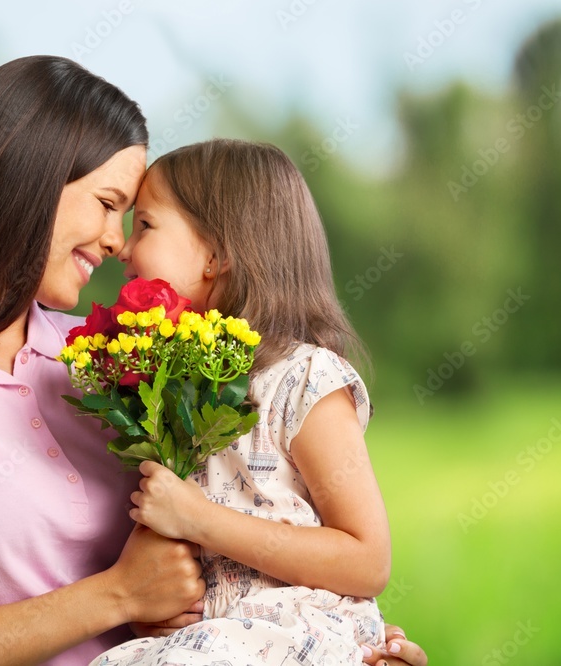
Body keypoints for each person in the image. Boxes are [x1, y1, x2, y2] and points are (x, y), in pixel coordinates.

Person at [0, 55, 426, 666]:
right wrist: (118, 594)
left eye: (134, 219)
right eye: (107, 203)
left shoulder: (113, 359)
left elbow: (247, 534)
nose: (116, 241)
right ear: (29, 181)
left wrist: (340, 642)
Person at [89, 139, 415, 666]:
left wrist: (199, 520)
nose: (124, 249)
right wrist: (151, 614)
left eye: (145, 225)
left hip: (292, 635)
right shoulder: (173, 387)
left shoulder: (305, 378)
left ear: (216, 255)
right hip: (210, 641)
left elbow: (368, 558)